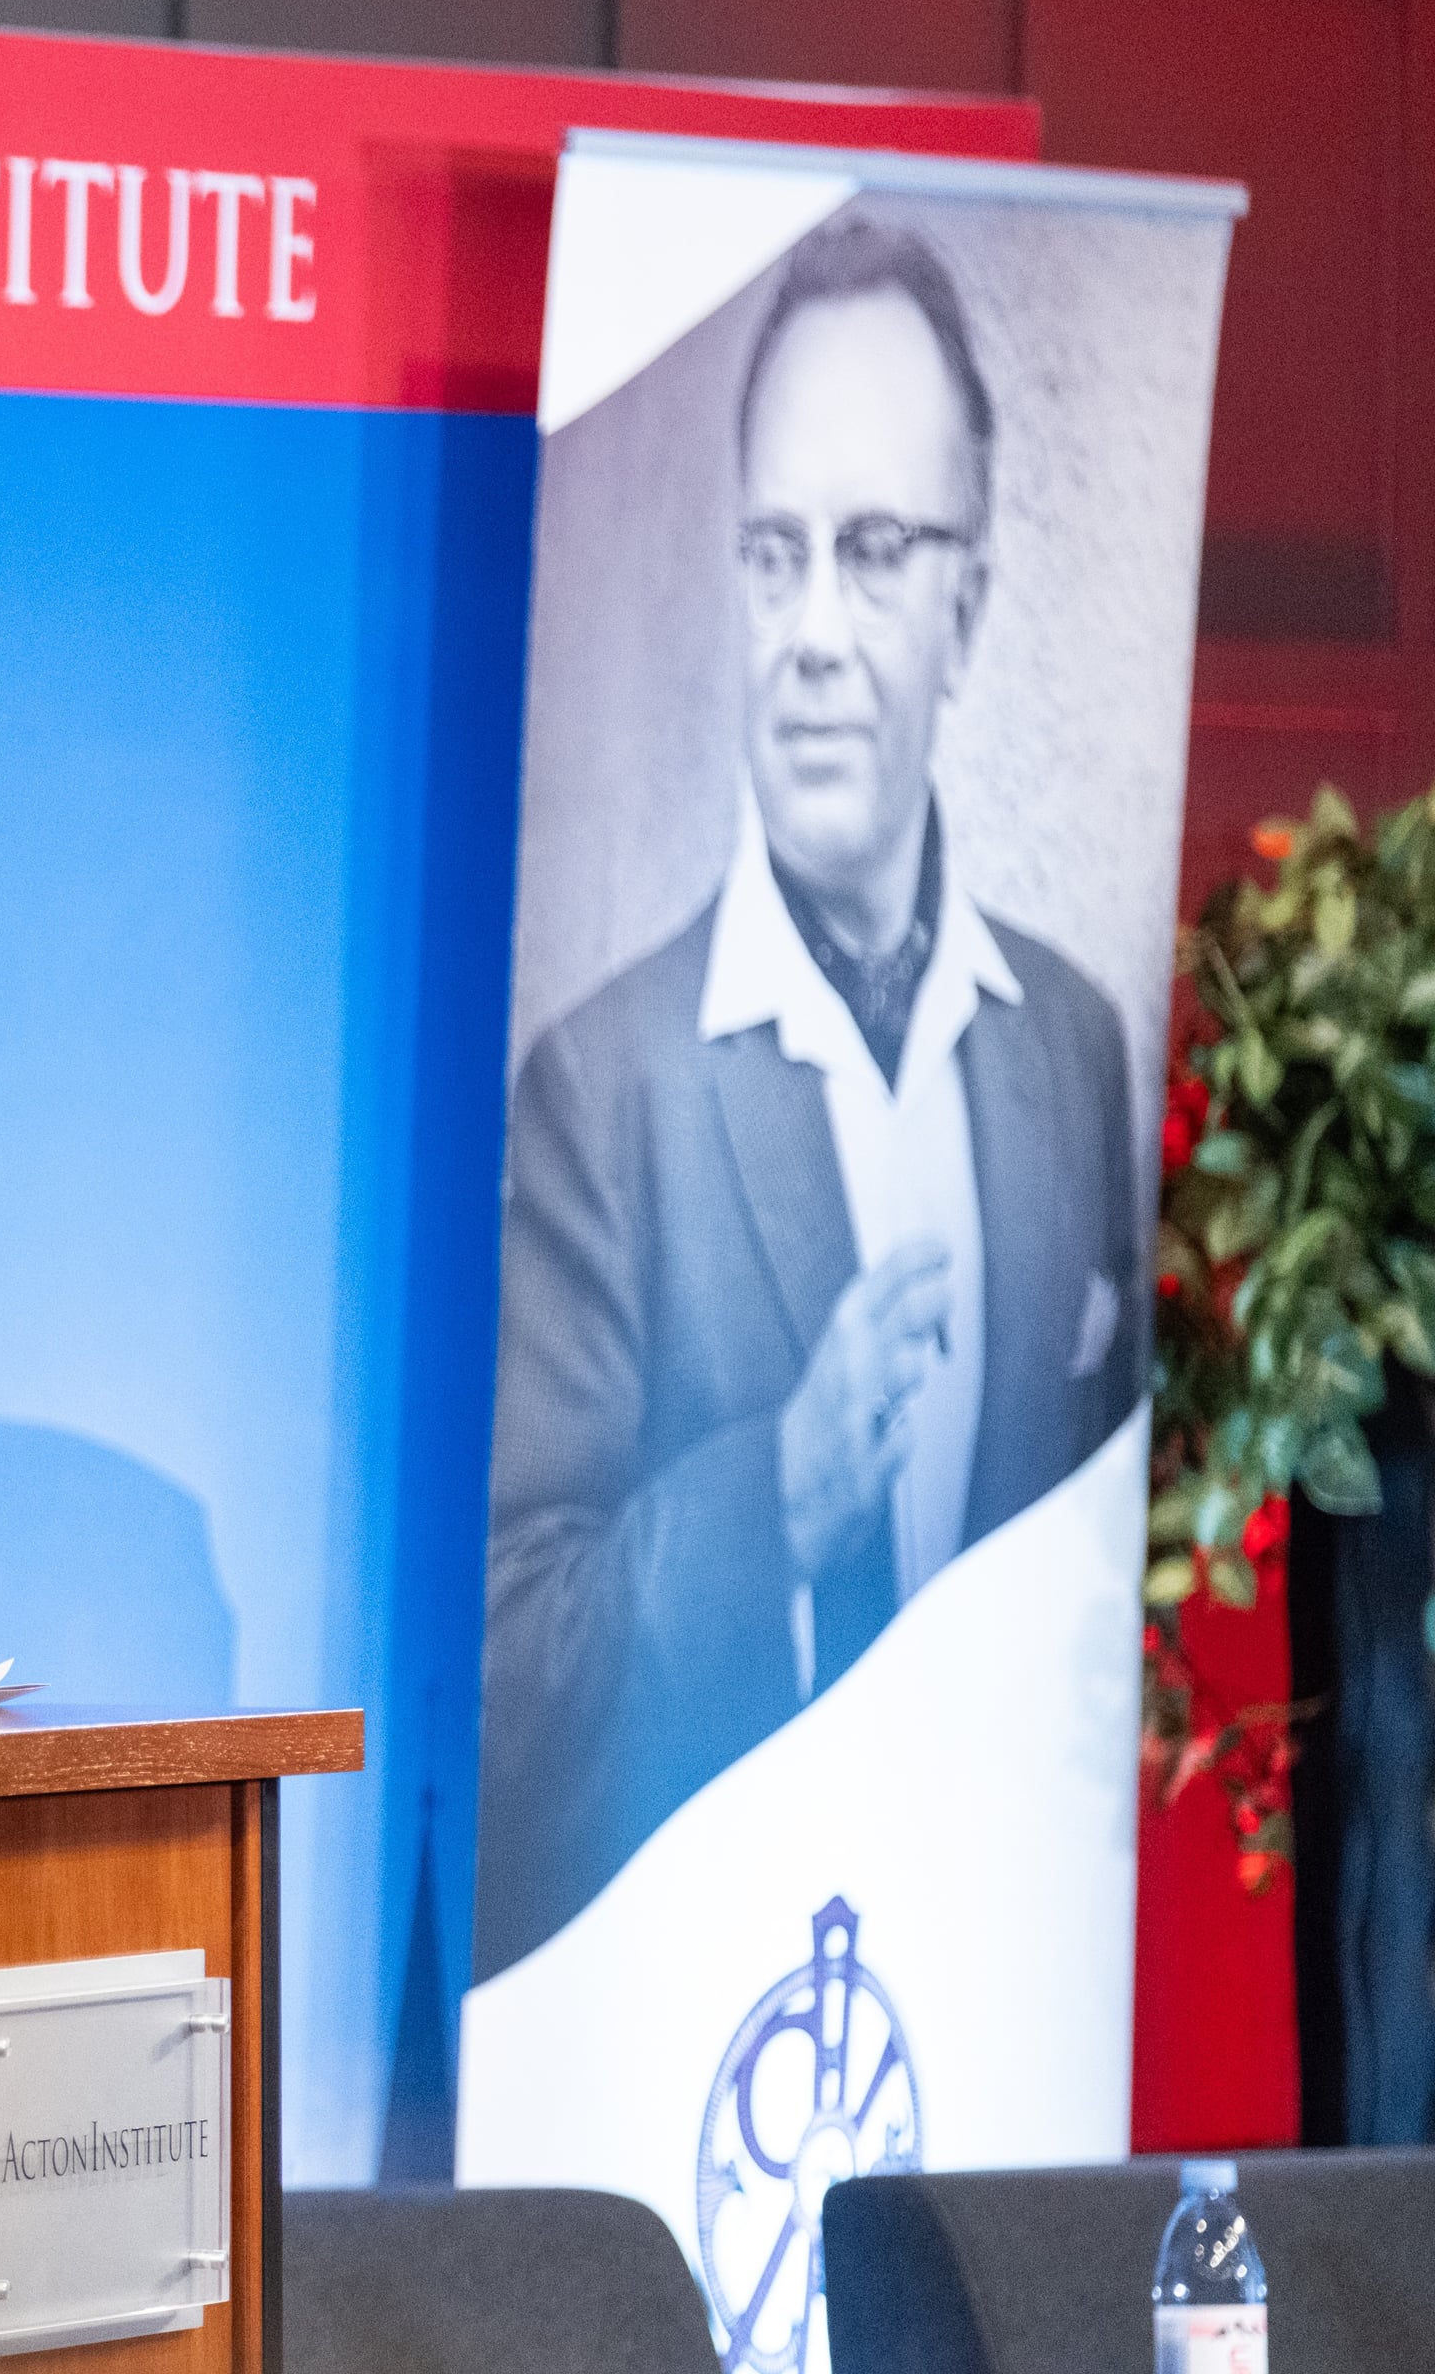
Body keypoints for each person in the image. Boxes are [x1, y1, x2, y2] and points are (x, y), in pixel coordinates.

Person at [473, 223, 1146, 1977]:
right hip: (700, 2001)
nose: (815, 635)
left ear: (968, 609)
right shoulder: (601, 1088)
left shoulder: (1074, 1050)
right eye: (777, 557)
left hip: (997, 1995)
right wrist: (776, 1492)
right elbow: (510, 1665)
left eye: (876, 552)